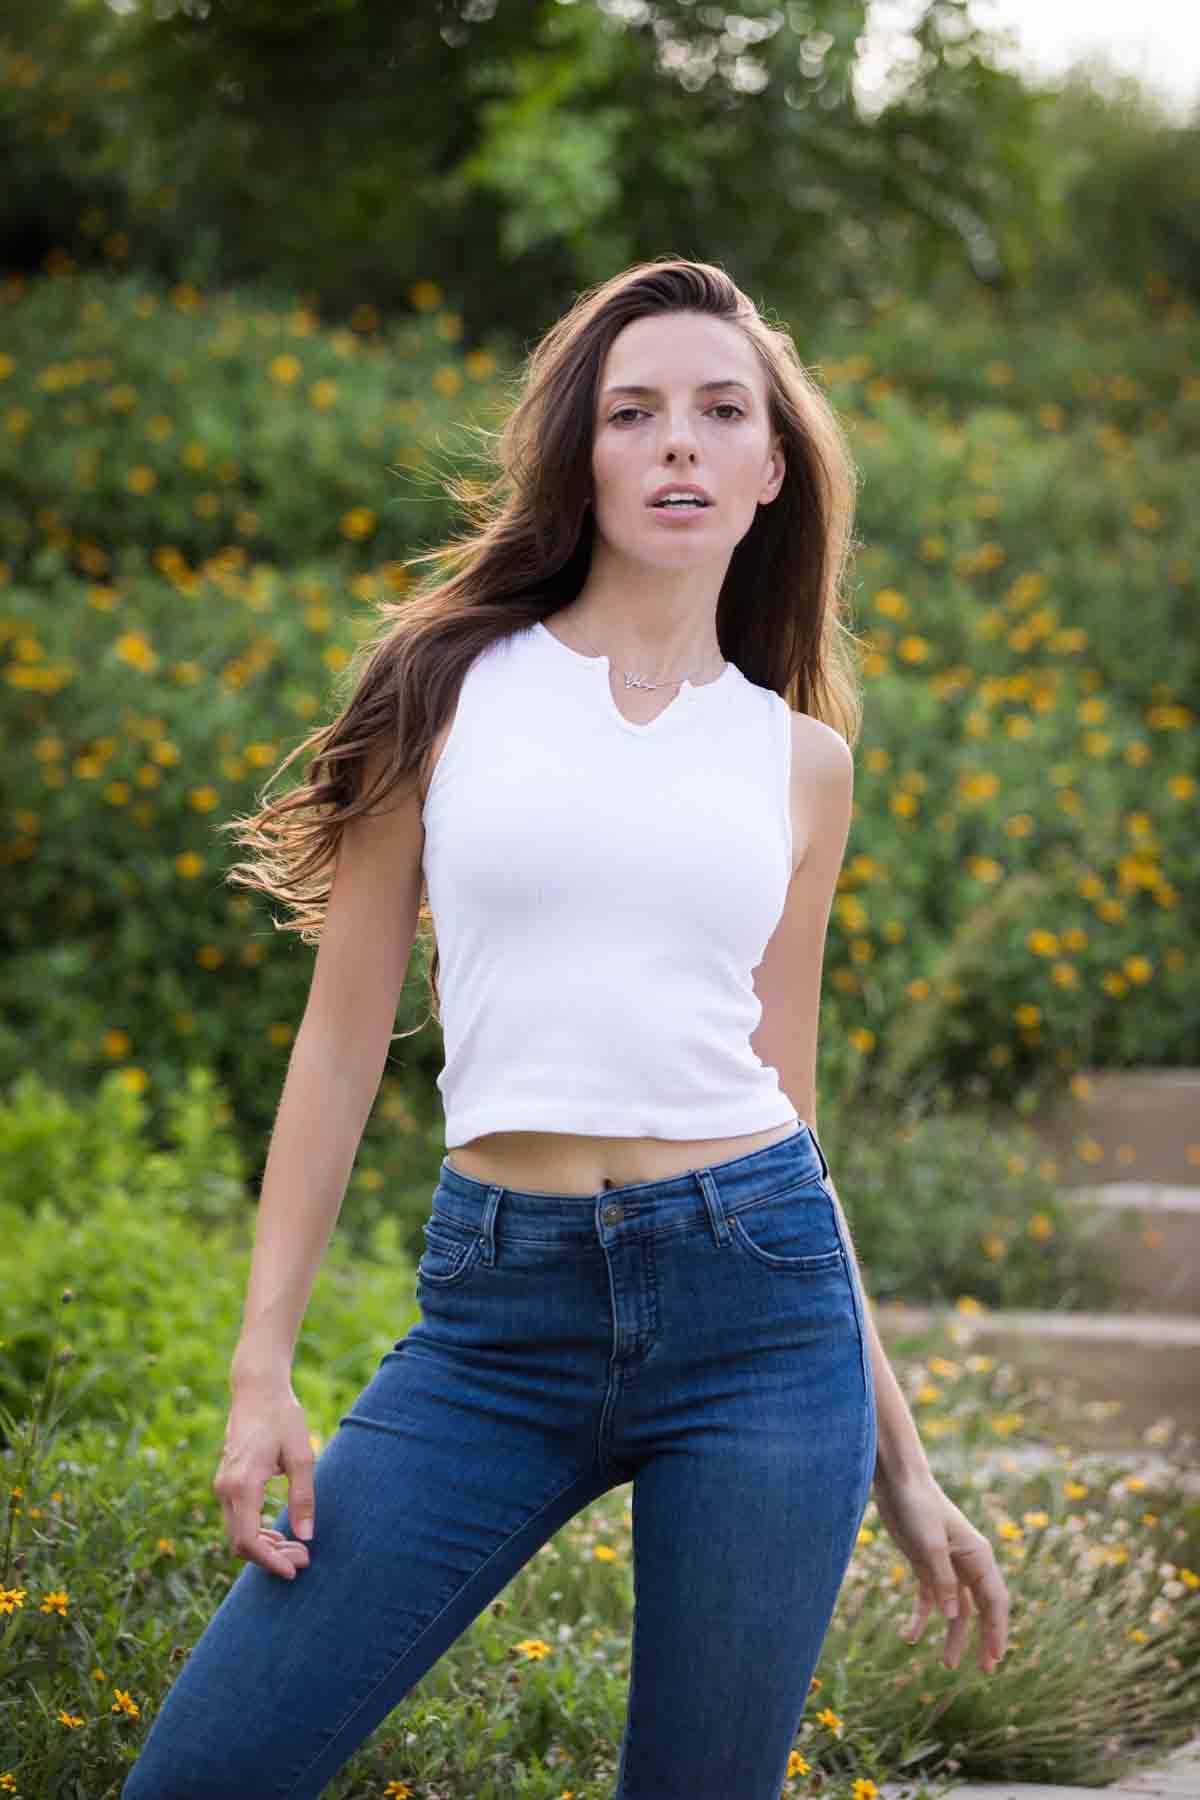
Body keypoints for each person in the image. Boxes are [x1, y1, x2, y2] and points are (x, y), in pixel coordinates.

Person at [123, 257, 1009, 1800]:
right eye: (635, 411)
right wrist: (261, 1368)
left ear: (770, 467)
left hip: (760, 1315)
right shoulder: (446, 687)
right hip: (497, 1319)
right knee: (203, 1775)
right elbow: (338, 1044)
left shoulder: (800, 765)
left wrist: (907, 1464)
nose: (679, 442)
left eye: (720, 411)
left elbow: (787, 1110)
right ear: (582, 457)